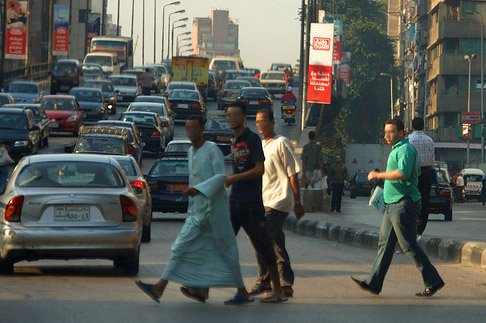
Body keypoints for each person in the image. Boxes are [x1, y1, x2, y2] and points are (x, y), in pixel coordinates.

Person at [135, 115, 254, 305]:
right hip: (198, 212)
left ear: (202, 129)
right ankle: (174, 288)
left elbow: (220, 177)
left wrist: (198, 190)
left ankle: (240, 291)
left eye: (193, 128)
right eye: (187, 127)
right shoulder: (191, 152)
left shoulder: (211, 150)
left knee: (226, 250)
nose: (190, 132)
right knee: (183, 248)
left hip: (216, 212)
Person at [351, 118, 444, 297]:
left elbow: (403, 173)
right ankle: (374, 283)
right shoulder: (398, 150)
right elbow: (415, 172)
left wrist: (379, 175)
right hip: (392, 203)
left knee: (408, 245)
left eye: (391, 132)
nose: (387, 135)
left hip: (404, 203)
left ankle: (433, 280)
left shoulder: (406, 149)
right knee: (385, 244)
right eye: (385, 132)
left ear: (402, 133)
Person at [225, 103, 287, 303]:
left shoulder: (252, 139)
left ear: (244, 117)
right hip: (235, 201)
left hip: (252, 202)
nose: (231, 119)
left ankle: (277, 289)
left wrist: (233, 179)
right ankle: (239, 290)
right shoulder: (233, 140)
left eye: (235, 115)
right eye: (228, 115)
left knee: (263, 245)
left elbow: (259, 169)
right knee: (224, 243)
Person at [252, 109, 304, 298]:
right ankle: (286, 283)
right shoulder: (261, 146)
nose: (259, 125)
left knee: (261, 238)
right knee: (277, 243)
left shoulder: (282, 143)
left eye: (263, 121)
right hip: (265, 201)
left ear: (273, 122)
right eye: (257, 121)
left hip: (280, 201)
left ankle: (265, 280)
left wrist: (298, 202)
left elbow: (293, 174)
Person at [408, 117, 435, 235]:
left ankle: (412, 224)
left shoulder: (409, 139)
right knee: (425, 200)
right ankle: (421, 228)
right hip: (426, 172)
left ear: (412, 127)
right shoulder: (429, 140)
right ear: (423, 127)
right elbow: (432, 159)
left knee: (410, 198)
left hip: (412, 172)